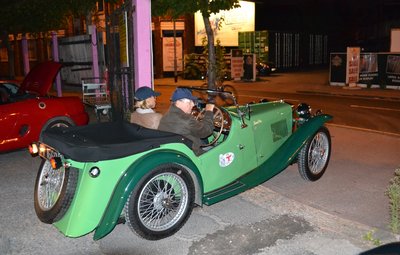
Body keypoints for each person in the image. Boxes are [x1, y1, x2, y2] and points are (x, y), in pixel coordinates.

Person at [158, 88, 215, 155]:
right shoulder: (186, 119)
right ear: (179, 102)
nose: (193, 105)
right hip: (192, 153)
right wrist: (209, 111)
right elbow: (206, 131)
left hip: (174, 150)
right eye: (190, 101)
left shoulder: (166, 115)